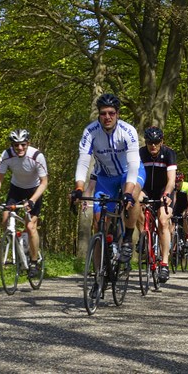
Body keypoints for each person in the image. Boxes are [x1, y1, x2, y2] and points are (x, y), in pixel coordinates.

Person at [69, 93, 145, 265]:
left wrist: (127, 192)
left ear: (117, 113)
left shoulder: (128, 131)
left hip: (129, 172)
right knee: (99, 226)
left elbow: (133, 165)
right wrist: (79, 188)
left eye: (111, 113)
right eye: (103, 113)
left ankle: (127, 238)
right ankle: (98, 276)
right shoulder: (90, 132)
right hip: (105, 176)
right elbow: (83, 161)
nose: (107, 117)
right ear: (99, 114)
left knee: (132, 197)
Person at [0, 129, 48, 278]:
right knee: (5, 220)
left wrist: (32, 200)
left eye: (23, 145)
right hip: (16, 189)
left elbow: (44, 183)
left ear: (28, 143)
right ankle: (19, 244)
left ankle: (33, 262)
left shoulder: (37, 156)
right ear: (12, 145)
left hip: (34, 190)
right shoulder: (6, 155)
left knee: (30, 226)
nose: (20, 148)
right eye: (16, 145)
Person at [138, 126, 177, 283]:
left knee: (163, 221)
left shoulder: (169, 153)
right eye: (149, 142)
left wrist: (167, 195)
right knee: (136, 204)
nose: (153, 145)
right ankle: (143, 235)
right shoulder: (140, 153)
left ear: (162, 141)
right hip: (145, 189)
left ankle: (165, 263)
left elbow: (172, 180)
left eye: (156, 142)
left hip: (164, 190)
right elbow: (134, 175)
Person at [172, 172, 188, 247]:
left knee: (186, 216)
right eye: (175, 182)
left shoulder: (187, 186)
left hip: (185, 206)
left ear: (182, 181)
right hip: (176, 207)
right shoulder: (172, 186)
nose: (177, 184)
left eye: (178, 182)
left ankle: (187, 238)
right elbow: (173, 201)